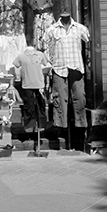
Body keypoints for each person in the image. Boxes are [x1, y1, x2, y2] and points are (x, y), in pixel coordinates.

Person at [43, 11, 90, 145]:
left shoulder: (80, 28)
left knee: (79, 97)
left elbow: (88, 43)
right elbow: (44, 47)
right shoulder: (51, 30)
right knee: (60, 99)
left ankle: (80, 126)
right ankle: (60, 126)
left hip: (76, 67)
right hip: (59, 68)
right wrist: (49, 63)